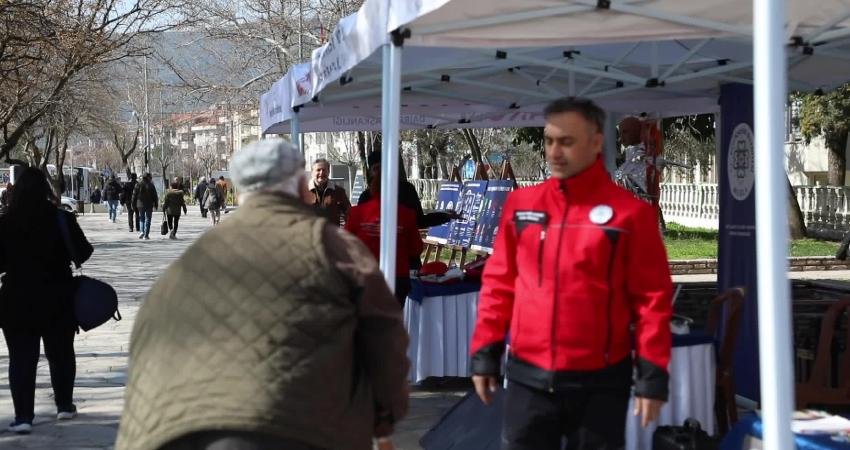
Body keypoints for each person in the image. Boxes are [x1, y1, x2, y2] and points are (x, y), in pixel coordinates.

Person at [116, 139, 409, 450]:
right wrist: (384, 417)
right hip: (301, 428)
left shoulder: (190, 260)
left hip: (172, 430)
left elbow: (147, 337)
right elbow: (385, 335)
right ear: (301, 187)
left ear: (240, 192)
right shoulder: (333, 247)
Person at [469, 98, 673, 450]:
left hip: (600, 385)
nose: (554, 152)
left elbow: (652, 300)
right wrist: (485, 354)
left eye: (567, 141)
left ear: (596, 142)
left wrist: (652, 377)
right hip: (528, 380)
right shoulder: (522, 206)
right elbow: (498, 285)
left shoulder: (630, 215)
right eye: (549, 140)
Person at [0, 167, 93, 435]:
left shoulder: (5, 223)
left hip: (16, 298)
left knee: (21, 358)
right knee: (61, 353)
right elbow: (83, 252)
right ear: (45, 190)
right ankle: (64, 405)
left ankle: (24, 417)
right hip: (58, 296)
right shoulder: (61, 219)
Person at [345, 161, 423, 306]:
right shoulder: (407, 214)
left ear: (372, 188)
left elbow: (344, 244)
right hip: (397, 278)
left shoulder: (357, 213)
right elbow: (416, 249)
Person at [309, 158, 351, 226]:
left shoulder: (339, 191)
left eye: (324, 170)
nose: (321, 173)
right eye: (318, 170)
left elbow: (349, 215)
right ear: (312, 172)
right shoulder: (303, 191)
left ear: (328, 172)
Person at [132, 173, 158, 240]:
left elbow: (134, 195)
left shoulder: (138, 184)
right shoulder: (151, 185)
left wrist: (133, 204)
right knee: (148, 219)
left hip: (140, 204)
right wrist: (156, 204)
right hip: (149, 204)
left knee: (142, 218)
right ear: (148, 177)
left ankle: (142, 231)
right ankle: (146, 235)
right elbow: (155, 196)